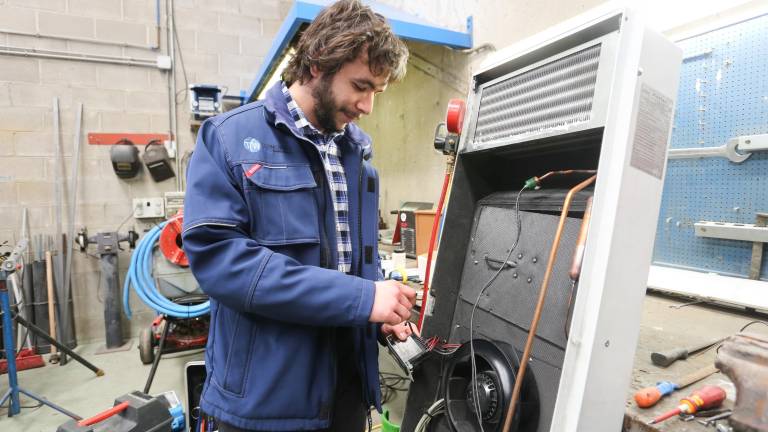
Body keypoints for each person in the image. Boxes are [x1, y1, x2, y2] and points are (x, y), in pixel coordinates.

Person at [182, 1, 415, 431]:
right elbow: (222, 262)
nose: (367, 106)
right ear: (315, 66)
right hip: (266, 400)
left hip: (346, 390)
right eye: (360, 86)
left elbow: (350, 264)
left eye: (376, 93)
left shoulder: (356, 159)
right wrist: (363, 299)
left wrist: (379, 314)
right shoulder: (230, 139)